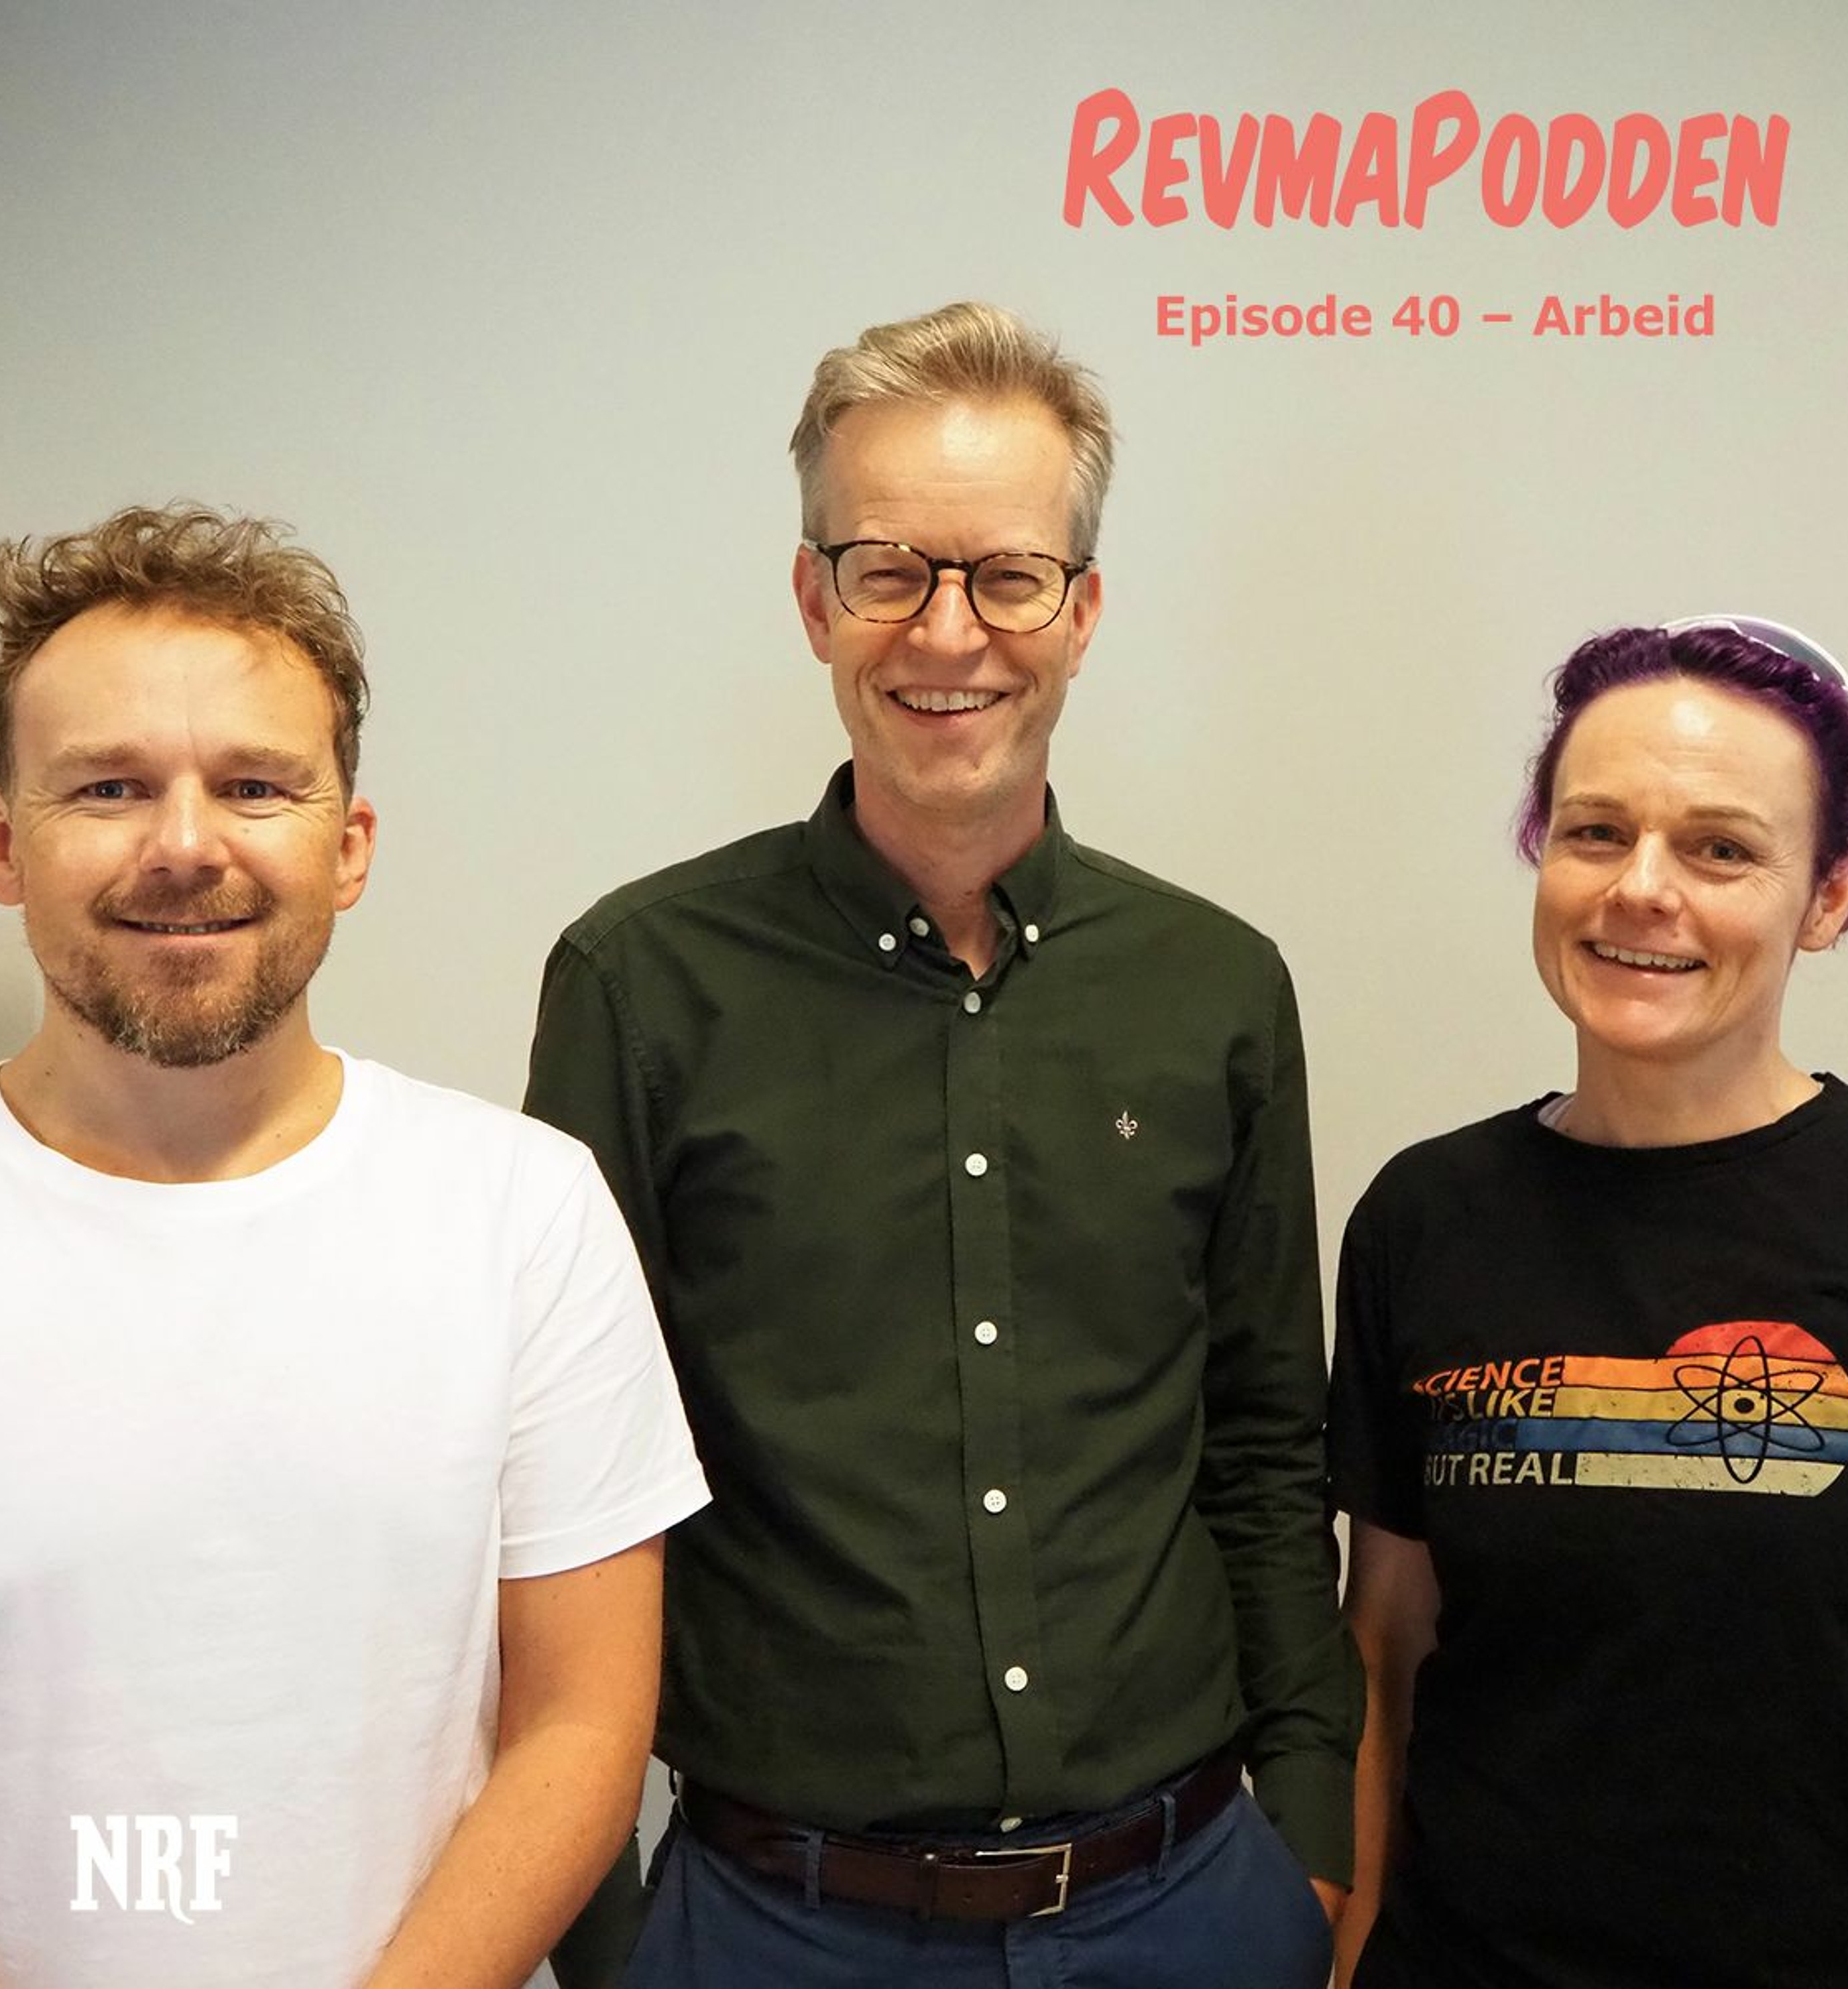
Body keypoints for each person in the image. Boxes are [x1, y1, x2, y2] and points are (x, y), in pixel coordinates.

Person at [524, 300, 1360, 1989]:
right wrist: (602, 1927)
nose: (950, 631)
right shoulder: (638, 986)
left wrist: (1317, 1836)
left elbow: (1268, 1449)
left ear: (1083, 611)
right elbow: (563, 1489)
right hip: (771, 1928)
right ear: (813, 601)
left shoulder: (1216, 987)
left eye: (1009, 576)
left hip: (1188, 1906)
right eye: (890, 570)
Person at [0, 505, 709, 1989]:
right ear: (1, 843)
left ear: (347, 847)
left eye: (254, 786)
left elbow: (580, 1725)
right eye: (108, 786)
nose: (185, 846)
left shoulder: (524, 1214)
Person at [1329, 616, 1848, 1987]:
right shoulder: (1427, 1215)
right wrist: (1351, 1951)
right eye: (1597, 833)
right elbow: (1386, 1649)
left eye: (1721, 849)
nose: (1642, 889)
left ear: (1828, 897)